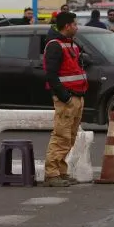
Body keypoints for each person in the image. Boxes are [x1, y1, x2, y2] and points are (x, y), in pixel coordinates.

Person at [42, 11, 88, 188]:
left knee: (70, 137)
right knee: (61, 135)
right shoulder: (55, 45)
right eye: (75, 24)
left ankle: (61, 171)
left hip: (77, 96)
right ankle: (51, 174)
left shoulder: (71, 45)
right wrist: (65, 97)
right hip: (67, 99)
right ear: (67, 26)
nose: (77, 27)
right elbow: (51, 75)